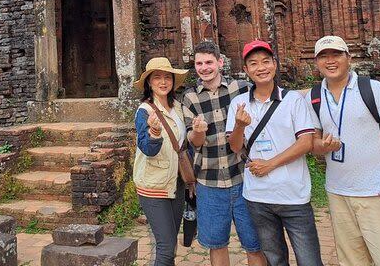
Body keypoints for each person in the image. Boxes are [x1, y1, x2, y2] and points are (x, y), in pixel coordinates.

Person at [307, 35, 380, 266]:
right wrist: (322, 146)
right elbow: (312, 143)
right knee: (351, 260)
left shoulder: (372, 89)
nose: (330, 61)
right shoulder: (314, 96)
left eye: (336, 54)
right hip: (337, 191)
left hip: (377, 191)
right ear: (316, 62)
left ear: (349, 57)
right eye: (323, 56)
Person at [226, 40, 322, 266]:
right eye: (254, 63)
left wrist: (270, 164)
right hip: (258, 196)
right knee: (275, 259)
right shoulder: (239, 103)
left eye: (266, 62)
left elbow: (306, 142)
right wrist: (239, 126)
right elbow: (235, 147)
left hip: (293, 194)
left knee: (309, 260)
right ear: (246, 70)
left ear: (275, 65)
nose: (261, 68)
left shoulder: (293, 100)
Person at [183, 41, 266, 266]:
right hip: (209, 182)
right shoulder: (190, 97)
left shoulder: (240, 89)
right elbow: (194, 141)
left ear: (220, 62)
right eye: (199, 63)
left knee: (254, 244)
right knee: (217, 244)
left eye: (209, 62)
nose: (204, 67)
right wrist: (199, 132)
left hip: (243, 178)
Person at [132, 57, 190, 266]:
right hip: (153, 184)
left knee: (170, 244)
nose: (163, 82)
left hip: (176, 184)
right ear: (149, 82)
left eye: (167, 77)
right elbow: (147, 148)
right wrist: (155, 132)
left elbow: (184, 144)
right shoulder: (144, 111)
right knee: (165, 248)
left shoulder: (178, 108)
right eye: (157, 77)